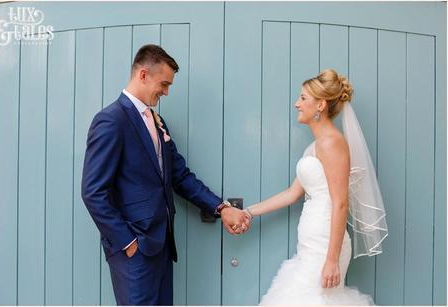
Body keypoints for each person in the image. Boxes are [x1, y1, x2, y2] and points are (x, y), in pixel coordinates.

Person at [81, 44, 250, 305]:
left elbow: (179, 176)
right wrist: (127, 243)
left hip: (162, 246)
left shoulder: (158, 122)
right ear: (143, 75)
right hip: (134, 250)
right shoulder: (111, 120)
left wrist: (221, 207)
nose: (166, 92)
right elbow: (93, 192)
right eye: (164, 83)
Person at [243, 69, 388, 305]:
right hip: (311, 242)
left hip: (326, 243)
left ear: (320, 105)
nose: (296, 104)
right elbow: (292, 194)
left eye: (303, 98)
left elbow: (341, 203)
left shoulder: (332, 143)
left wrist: (332, 260)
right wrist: (248, 211)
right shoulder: (315, 146)